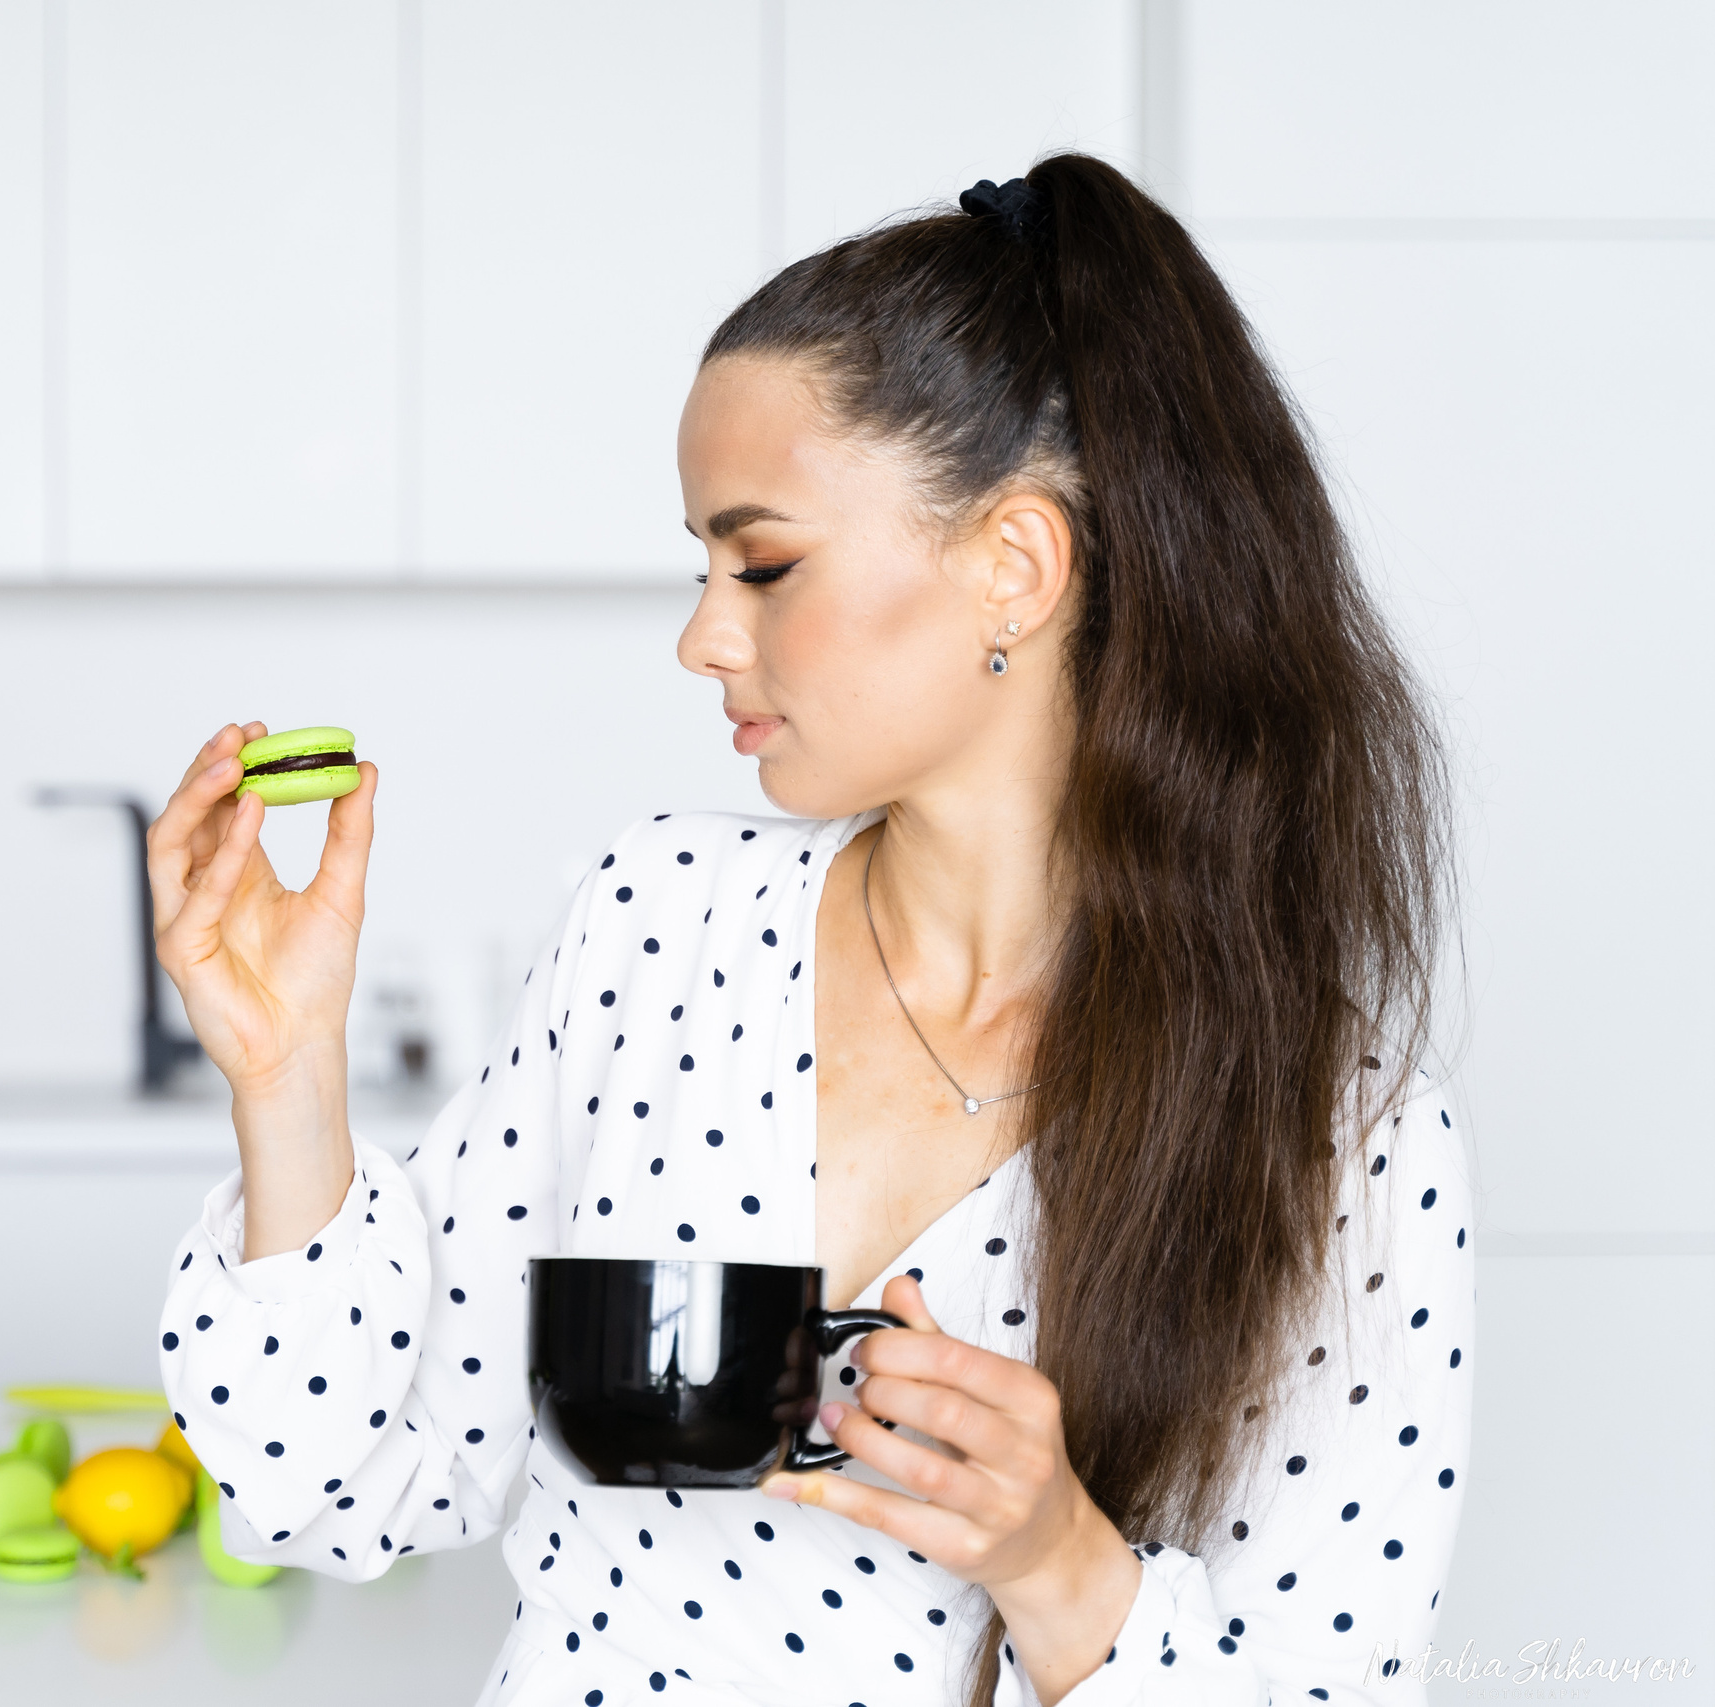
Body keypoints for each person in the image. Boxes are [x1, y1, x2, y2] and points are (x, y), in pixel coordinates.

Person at [148, 152, 1469, 1707]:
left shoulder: (1346, 1149)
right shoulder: (659, 927)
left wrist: (1058, 1565)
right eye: (703, 565)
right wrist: (286, 1079)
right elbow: (342, 1478)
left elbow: (1327, 1681)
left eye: (764, 563)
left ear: (1015, 566)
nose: (703, 635)